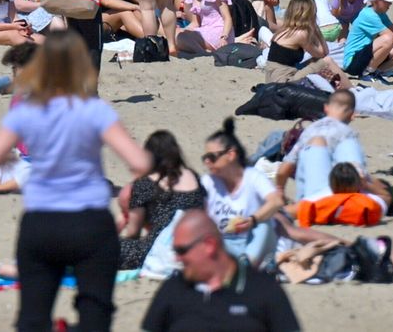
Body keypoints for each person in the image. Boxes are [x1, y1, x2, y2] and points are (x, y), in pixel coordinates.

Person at [0, 31, 150, 332]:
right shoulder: (94, 110)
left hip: (42, 220)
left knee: (33, 315)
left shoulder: (27, 110)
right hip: (90, 221)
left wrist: (10, 156)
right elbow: (139, 163)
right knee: (95, 312)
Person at [140, 209, 300, 331]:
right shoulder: (173, 288)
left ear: (209, 245)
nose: (177, 259)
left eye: (182, 251)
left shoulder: (264, 290)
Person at [200, 119, 284, 266]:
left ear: (231, 154)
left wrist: (253, 219)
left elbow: (276, 201)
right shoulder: (208, 182)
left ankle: (247, 266)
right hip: (223, 242)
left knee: (263, 225)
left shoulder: (252, 176)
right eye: (205, 158)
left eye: (211, 158)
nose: (207, 162)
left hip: (251, 240)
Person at [275, 90, 382, 202]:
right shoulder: (347, 133)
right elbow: (359, 176)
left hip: (306, 200)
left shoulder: (309, 131)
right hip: (335, 197)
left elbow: (285, 168)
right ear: (353, 115)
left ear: (326, 108)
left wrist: (280, 189)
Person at [119, 131, 205, 270]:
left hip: (158, 250)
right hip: (193, 249)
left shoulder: (145, 184)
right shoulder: (194, 177)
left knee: (110, 246)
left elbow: (133, 232)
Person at [265, 0, 352, 89]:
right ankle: (353, 91)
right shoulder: (301, 34)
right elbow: (323, 53)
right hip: (283, 80)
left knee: (314, 61)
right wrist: (315, 27)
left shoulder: (285, 29)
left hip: (273, 78)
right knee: (327, 61)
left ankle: (338, 87)